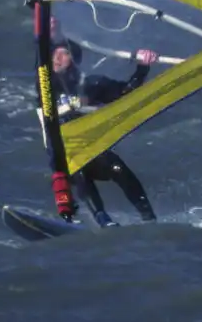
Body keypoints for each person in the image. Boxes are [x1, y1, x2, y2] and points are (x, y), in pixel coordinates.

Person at [49, 40, 160, 226]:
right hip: (65, 156)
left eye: (64, 54)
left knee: (117, 167)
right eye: (54, 54)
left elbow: (126, 92)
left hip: (91, 150)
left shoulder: (92, 84)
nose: (57, 58)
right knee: (78, 168)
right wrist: (47, 26)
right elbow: (41, 45)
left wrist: (143, 66)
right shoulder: (45, 86)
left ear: (74, 60)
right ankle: (102, 219)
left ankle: (149, 218)